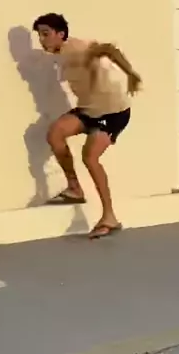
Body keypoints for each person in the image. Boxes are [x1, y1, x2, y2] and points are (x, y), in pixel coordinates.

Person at [32, 13, 142, 239]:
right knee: (55, 134)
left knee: (90, 157)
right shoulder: (61, 54)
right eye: (40, 35)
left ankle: (109, 216)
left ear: (60, 34)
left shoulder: (77, 48)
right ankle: (74, 188)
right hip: (89, 110)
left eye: (46, 34)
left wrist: (131, 75)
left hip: (113, 112)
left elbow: (109, 49)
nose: (42, 40)